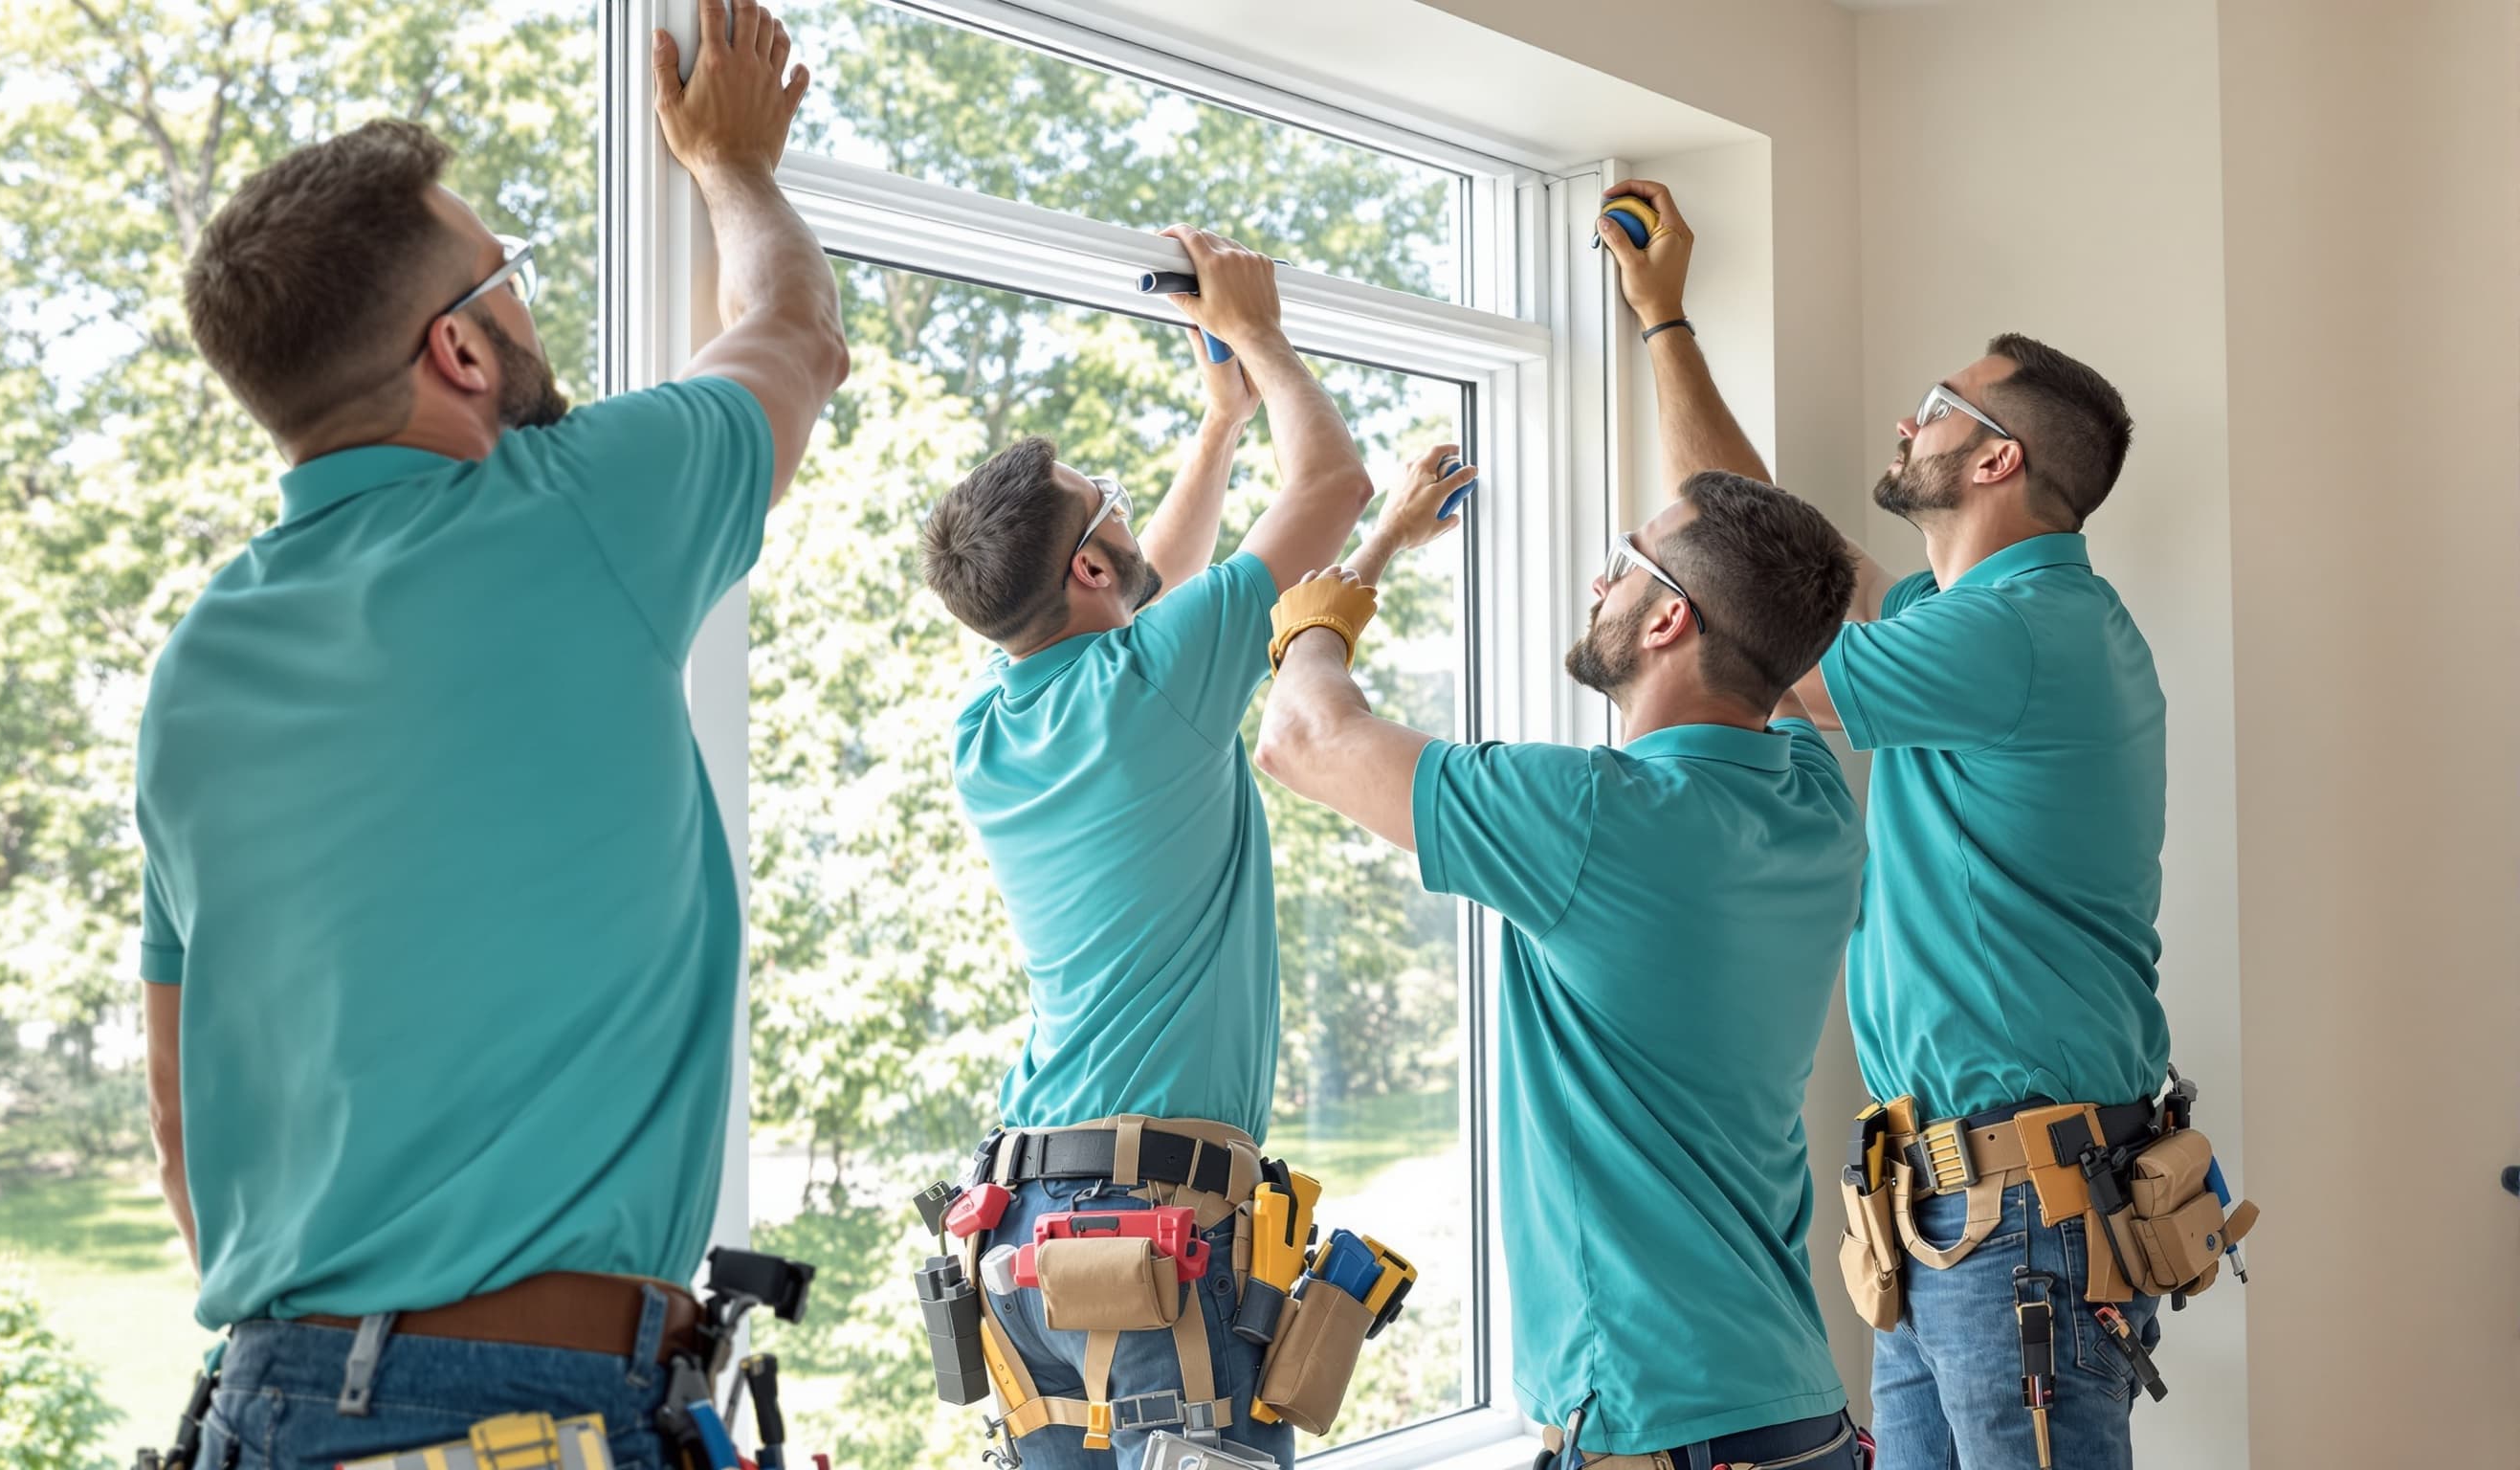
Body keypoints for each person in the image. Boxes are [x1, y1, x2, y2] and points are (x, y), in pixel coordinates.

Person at [135, 4, 845, 1465]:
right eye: (508, 279)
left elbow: (174, 1110)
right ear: (456, 349)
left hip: (256, 1405)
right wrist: (735, 167)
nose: (528, 309)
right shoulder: (573, 508)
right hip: (519, 1421)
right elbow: (791, 337)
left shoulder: (194, 666)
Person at [1596, 179, 2175, 1466]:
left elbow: (1748, 610)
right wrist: (1666, 323)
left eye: (1940, 406)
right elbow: (1756, 541)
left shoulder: (2025, 633)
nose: (1906, 420)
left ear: (1994, 458)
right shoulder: (1956, 621)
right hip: (1949, 1208)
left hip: (2020, 1212)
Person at [1251, 329, 1871, 1465]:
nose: (1600, 578)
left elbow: (1300, 738)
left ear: (1669, 618)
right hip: (1792, 1413)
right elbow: (1774, 617)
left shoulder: (1598, 820)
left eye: (1623, 560)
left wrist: (1325, 613)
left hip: (1663, 1428)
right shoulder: (1815, 799)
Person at [915, 228, 1449, 1469]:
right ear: (1094, 564)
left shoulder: (989, 728)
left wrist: (1219, 427)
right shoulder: (1151, 681)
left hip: (1018, 1234)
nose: (1118, 496)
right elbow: (1328, 486)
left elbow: (1157, 592)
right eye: (1107, 496)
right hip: (1151, 1230)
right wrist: (1259, 337)